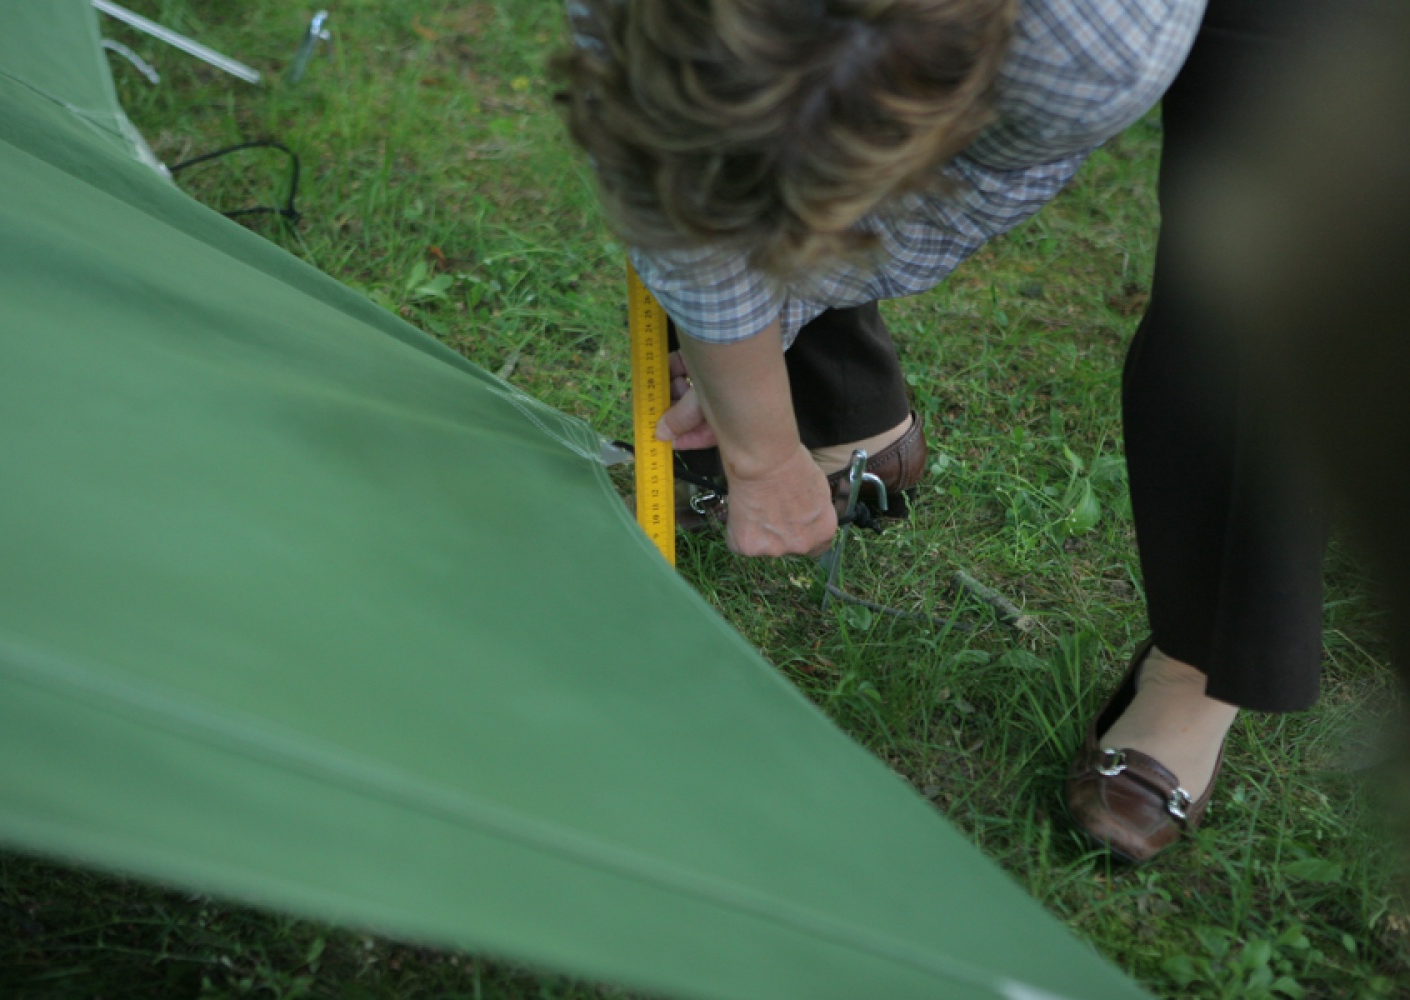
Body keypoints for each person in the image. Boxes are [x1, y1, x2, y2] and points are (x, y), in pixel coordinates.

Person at [556, 0, 1329, 864]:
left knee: (1271, 265)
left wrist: (761, 369)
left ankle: (1198, 666)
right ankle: (853, 432)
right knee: (748, 183)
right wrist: (760, 436)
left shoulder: (1084, 50)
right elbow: (672, 179)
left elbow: (934, 205)